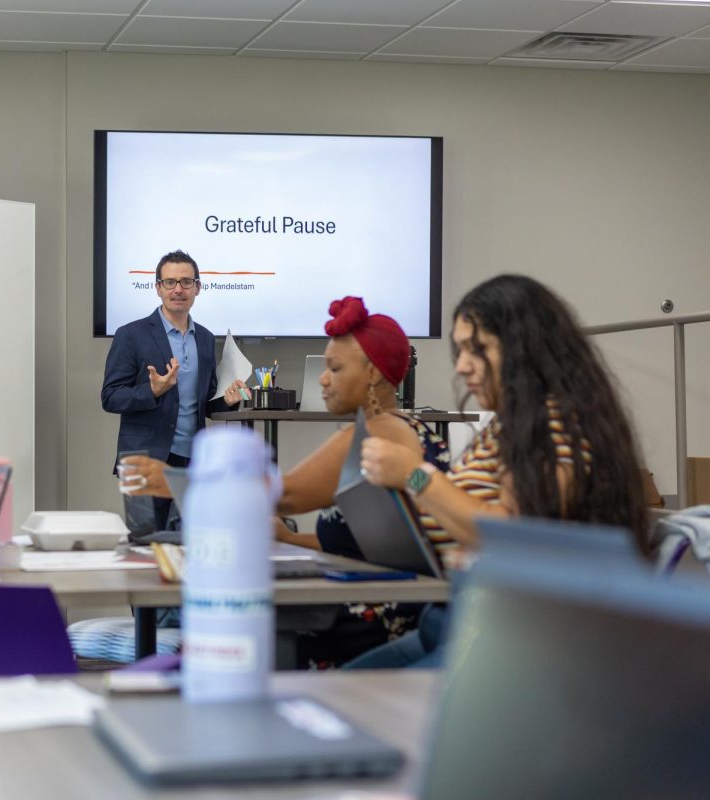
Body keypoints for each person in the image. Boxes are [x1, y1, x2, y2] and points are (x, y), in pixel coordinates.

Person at [121, 296, 450, 666]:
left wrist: (175, 482)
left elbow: (286, 495)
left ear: (373, 374)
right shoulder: (411, 429)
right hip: (407, 611)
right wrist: (292, 538)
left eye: (335, 369)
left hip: (375, 620)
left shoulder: (373, 435)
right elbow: (373, 546)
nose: (323, 380)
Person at [350, 273, 650, 668]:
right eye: (459, 351)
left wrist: (414, 475)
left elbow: (512, 533)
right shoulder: (510, 424)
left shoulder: (554, 422)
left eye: (478, 349)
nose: (463, 366)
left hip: (511, 639)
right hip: (456, 620)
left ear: (526, 348)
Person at [101, 250, 246, 531]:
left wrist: (227, 401)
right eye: (169, 282)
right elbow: (110, 397)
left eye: (186, 282)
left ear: (198, 288)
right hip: (144, 459)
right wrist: (152, 391)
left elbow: (205, 404)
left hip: (193, 460)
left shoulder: (204, 338)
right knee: (146, 543)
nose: (178, 289)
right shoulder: (131, 335)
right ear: (157, 288)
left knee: (192, 541)